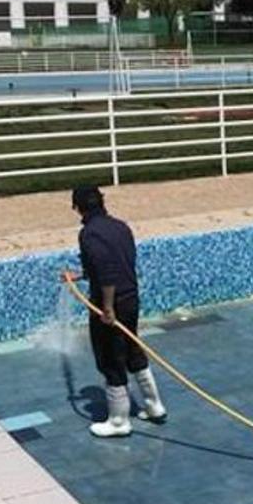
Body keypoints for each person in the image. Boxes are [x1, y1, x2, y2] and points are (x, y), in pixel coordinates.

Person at [70, 186, 167, 438]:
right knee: (133, 349)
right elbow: (117, 263)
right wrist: (79, 275)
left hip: (109, 304)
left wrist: (108, 308)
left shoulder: (89, 234)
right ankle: (154, 406)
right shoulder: (121, 227)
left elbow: (107, 271)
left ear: (78, 208)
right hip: (131, 298)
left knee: (110, 358)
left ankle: (118, 421)